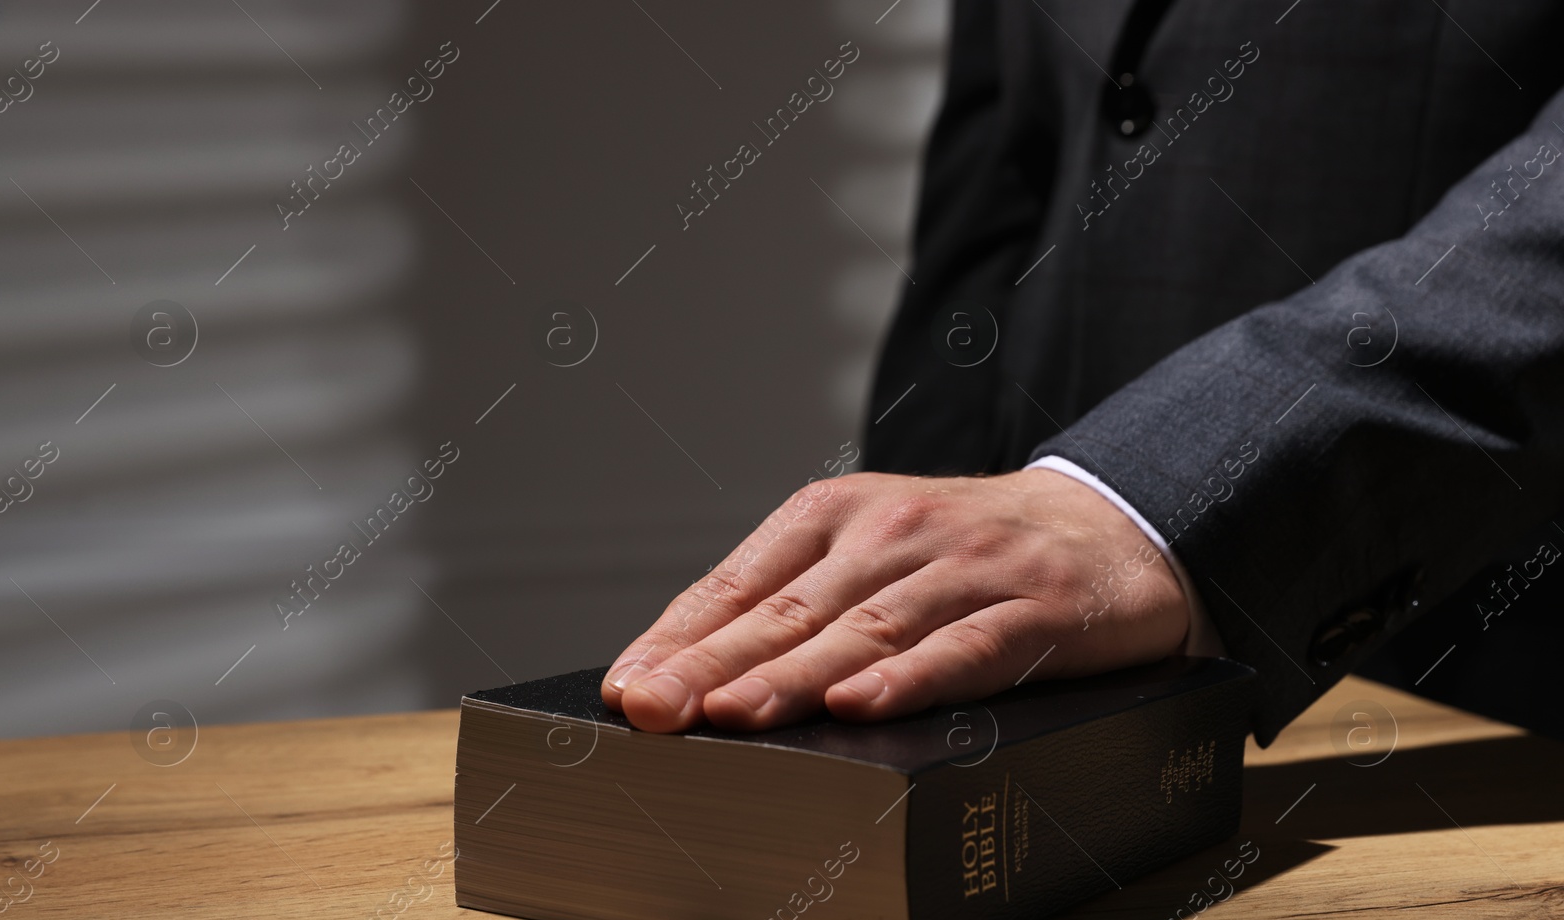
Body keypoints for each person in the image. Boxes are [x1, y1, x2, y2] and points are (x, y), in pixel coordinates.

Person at [602, 1, 1564, 743]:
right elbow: (998, 181)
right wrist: (891, 580)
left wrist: (1150, 501)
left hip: (1465, 660)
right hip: (1040, 702)